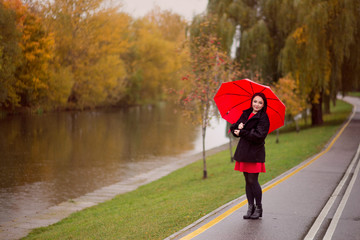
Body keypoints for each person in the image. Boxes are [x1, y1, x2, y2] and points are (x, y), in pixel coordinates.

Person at [230, 92, 270, 220]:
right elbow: (234, 128)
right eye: (255, 101)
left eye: (260, 102)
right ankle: (250, 207)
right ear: (251, 102)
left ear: (263, 105)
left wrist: (243, 132)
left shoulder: (263, 117)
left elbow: (259, 136)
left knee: (253, 180)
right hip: (244, 151)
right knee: (247, 181)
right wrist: (237, 128)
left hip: (255, 153)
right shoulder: (246, 113)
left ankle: (259, 208)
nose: (256, 104)